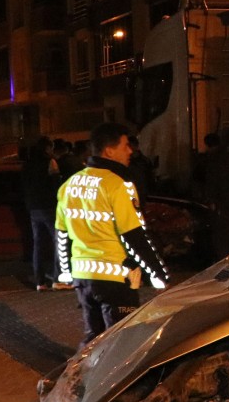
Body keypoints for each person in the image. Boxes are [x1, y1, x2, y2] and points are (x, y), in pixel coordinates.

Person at [55, 122, 170, 347]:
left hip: (83, 276)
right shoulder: (118, 185)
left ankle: (83, 377)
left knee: (93, 337)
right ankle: (116, 381)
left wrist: (65, 272)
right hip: (114, 278)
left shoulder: (69, 185)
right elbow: (134, 235)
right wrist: (158, 273)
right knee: (122, 340)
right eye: (125, 145)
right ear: (109, 150)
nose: (131, 151)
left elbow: (60, 234)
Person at [23, 136, 64, 292]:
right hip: (49, 207)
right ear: (47, 148)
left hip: (33, 209)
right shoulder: (50, 162)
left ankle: (40, 282)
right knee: (58, 242)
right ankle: (58, 278)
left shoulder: (26, 164)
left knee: (38, 245)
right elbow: (56, 186)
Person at [194, 133, 229, 259]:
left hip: (221, 202)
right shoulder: (227, 158)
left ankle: (225, 259)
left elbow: (212, 182)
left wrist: (211, 200)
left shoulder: (213, 160)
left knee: (221, 234)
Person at [127, 135, 156, 202]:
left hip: (143, 193)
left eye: (131, 145)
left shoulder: (145, 161)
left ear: (136, 146)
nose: (130, 148)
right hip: (131, 192)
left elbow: (150, 177)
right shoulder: (126, 160)